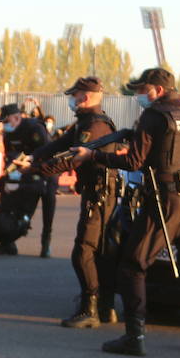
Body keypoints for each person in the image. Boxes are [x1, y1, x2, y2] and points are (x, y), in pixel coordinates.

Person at [68, 67, 180, 356]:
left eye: (141, 90)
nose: (138, 95)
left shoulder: (155, 115)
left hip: (166, 201)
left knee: (133, 266)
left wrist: (94, 155)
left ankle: (134, 337)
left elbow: (134, 162)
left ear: (158, 90)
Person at [32, 76, 122, 327]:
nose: (71, 100)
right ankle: (105, 307)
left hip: (100, 194)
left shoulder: (94, 126)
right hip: (97, 192)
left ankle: (90, 308)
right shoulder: (86, 122)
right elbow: (58, 145)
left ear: (85, 97)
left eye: (74, 96)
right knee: (98, 251)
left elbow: (73, 159)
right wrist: (35, 156)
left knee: (83, 251)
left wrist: (40, 170)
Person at [0, 103, 56, 257]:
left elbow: (47, 152)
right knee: (17, 207)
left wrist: (33, 166)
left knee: (48, 206)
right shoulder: (8, 134)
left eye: (6, 121)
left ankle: (46, 243)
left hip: (46, 171)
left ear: (17, 117)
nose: (4, 125)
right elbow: (9, 156)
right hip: (25, 174)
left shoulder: (34, 128)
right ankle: (8, 242)